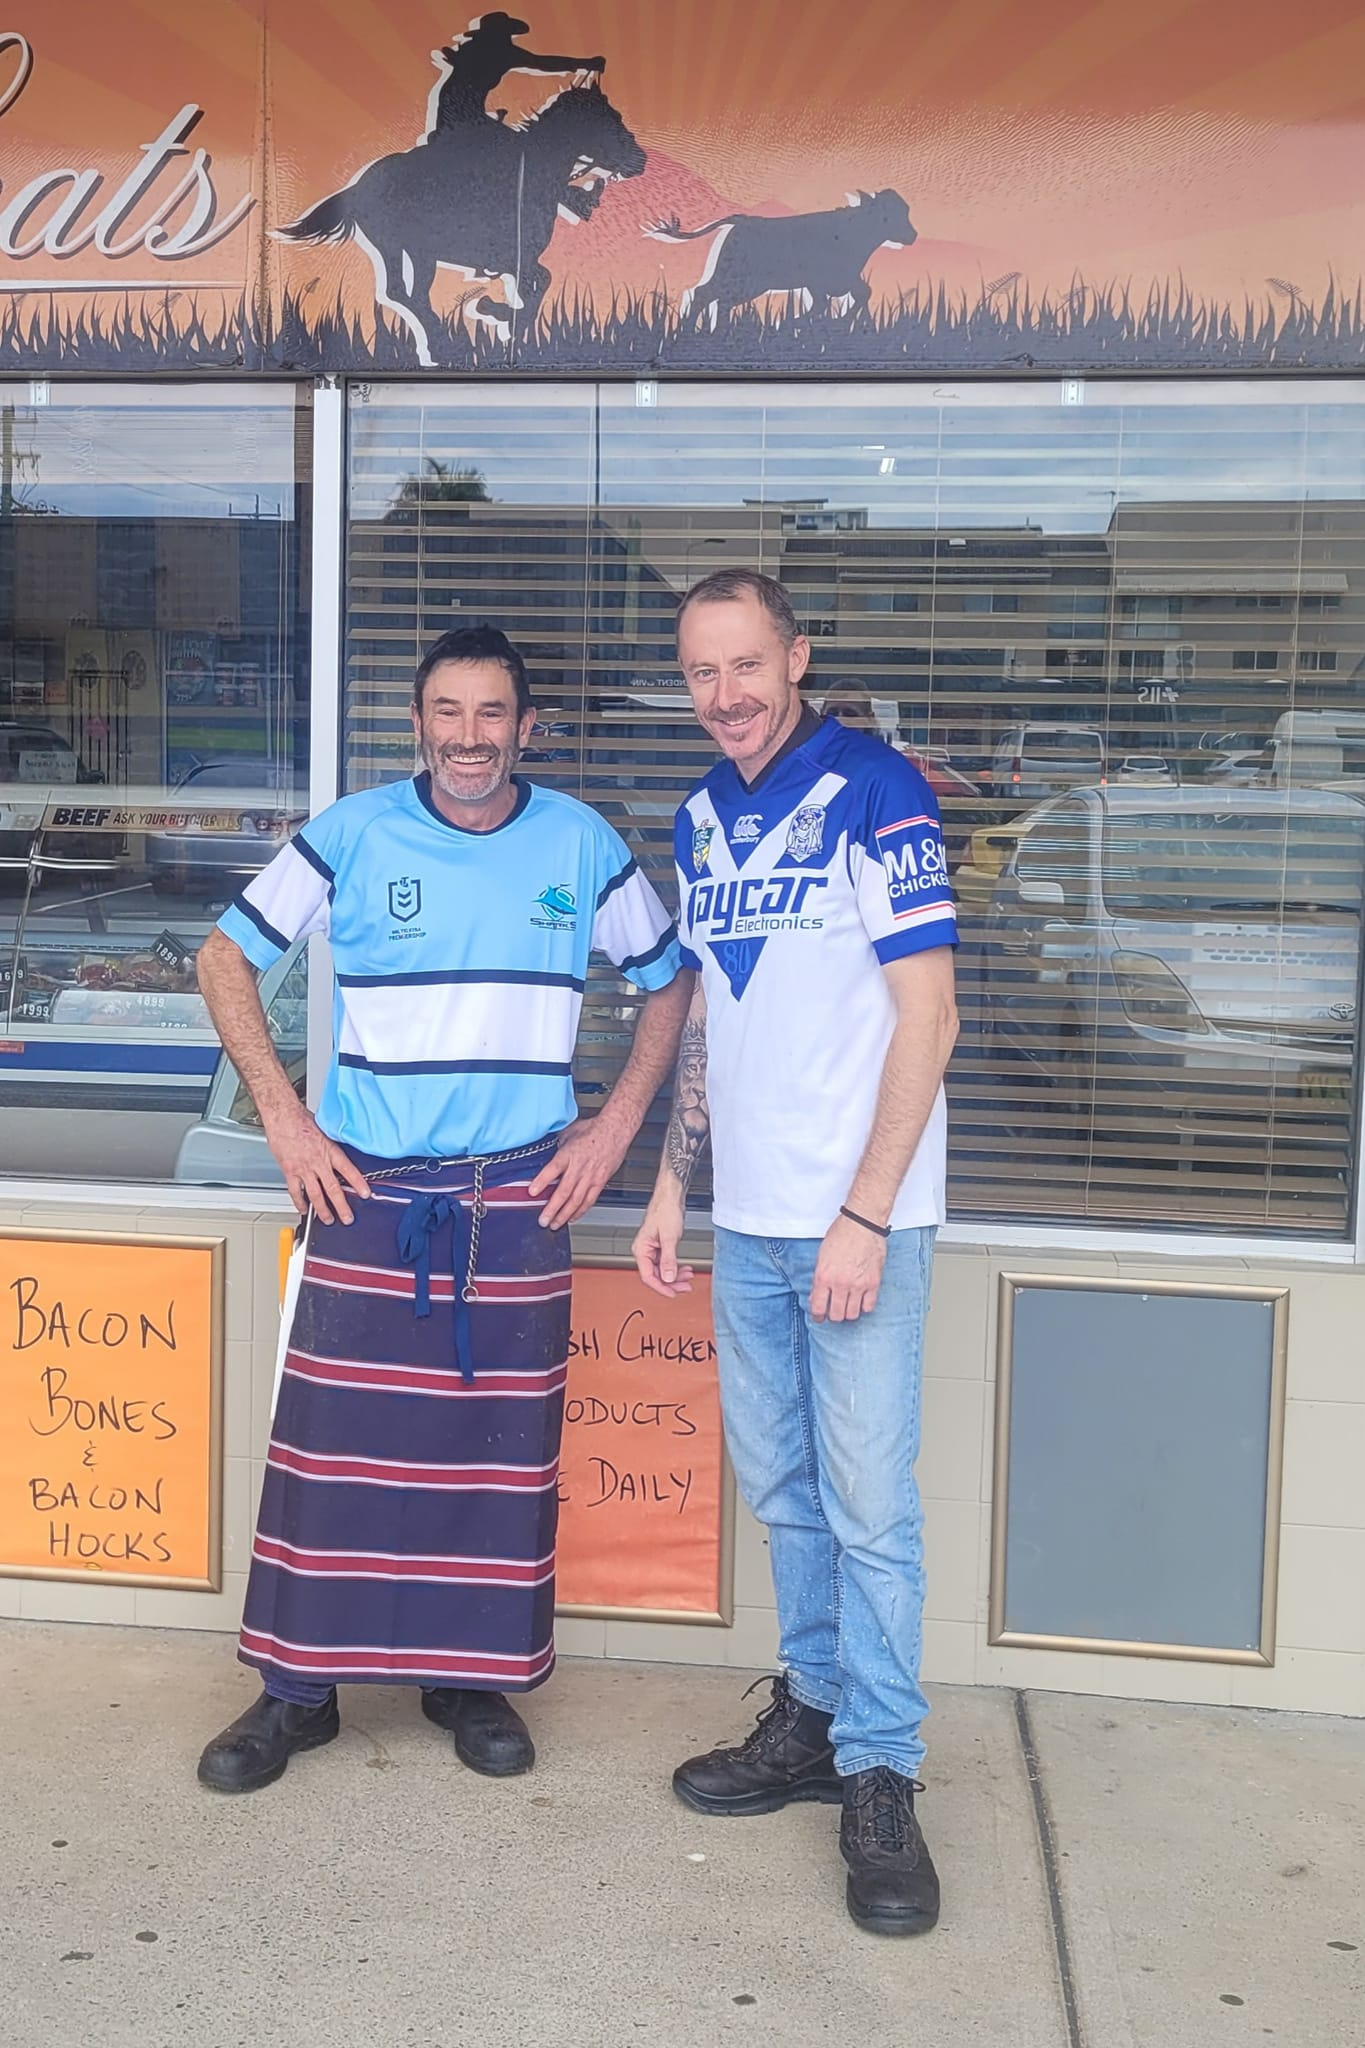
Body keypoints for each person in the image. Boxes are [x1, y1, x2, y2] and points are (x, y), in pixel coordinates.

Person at [196, 625, 688, 1794]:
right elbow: (223, 960)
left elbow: (671, 982)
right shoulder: (354, 833)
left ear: (527, 725)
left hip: (517, 1197)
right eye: (447, 711)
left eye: (493, 713)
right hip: (363, 1190)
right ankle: (294, 1688)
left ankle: (469, 1679)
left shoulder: (580, 839)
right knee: (330, 1456)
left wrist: (613, 1127)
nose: (470, 736)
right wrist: (286, 1118)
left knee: (492, 1461)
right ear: (417, 722)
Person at [633, 570, 958, 1937]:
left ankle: (883, 1770)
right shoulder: (701, 817)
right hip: (747, 1221)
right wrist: (668, 1183)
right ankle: (815, 1716)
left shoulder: (878, 786)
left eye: (747, 666)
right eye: (703, 673)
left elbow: (928, 1016)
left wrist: (867, 1214)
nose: (727, 696)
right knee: (784, 1493)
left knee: (870, 1507)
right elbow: (711, 1014)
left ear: (796, 657)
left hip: (855, 1223)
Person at [430, 13, 605, 132]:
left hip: (458, 102)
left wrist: (584, 64)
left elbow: (541, 63)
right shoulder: (503, 52)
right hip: (462, 105)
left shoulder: (476, 48)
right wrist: (585, 63)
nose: (508, 37)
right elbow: (541, 63)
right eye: (506, 33)